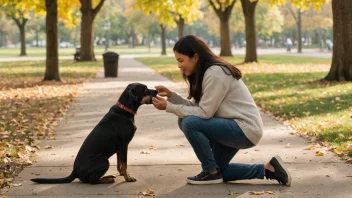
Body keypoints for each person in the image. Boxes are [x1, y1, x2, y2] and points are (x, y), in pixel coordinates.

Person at [152, 35, 291, 186]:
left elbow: (204, 113)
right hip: (231, 125)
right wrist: (172, 97)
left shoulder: (215, 73)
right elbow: (198, 109)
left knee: (189, 122)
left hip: (244, 128)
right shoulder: (206, 73)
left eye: (181, 60)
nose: (179, 66)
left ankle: (210, 172)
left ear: (195, 57)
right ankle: (269, 170)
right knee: (220, 170)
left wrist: (169, 107)